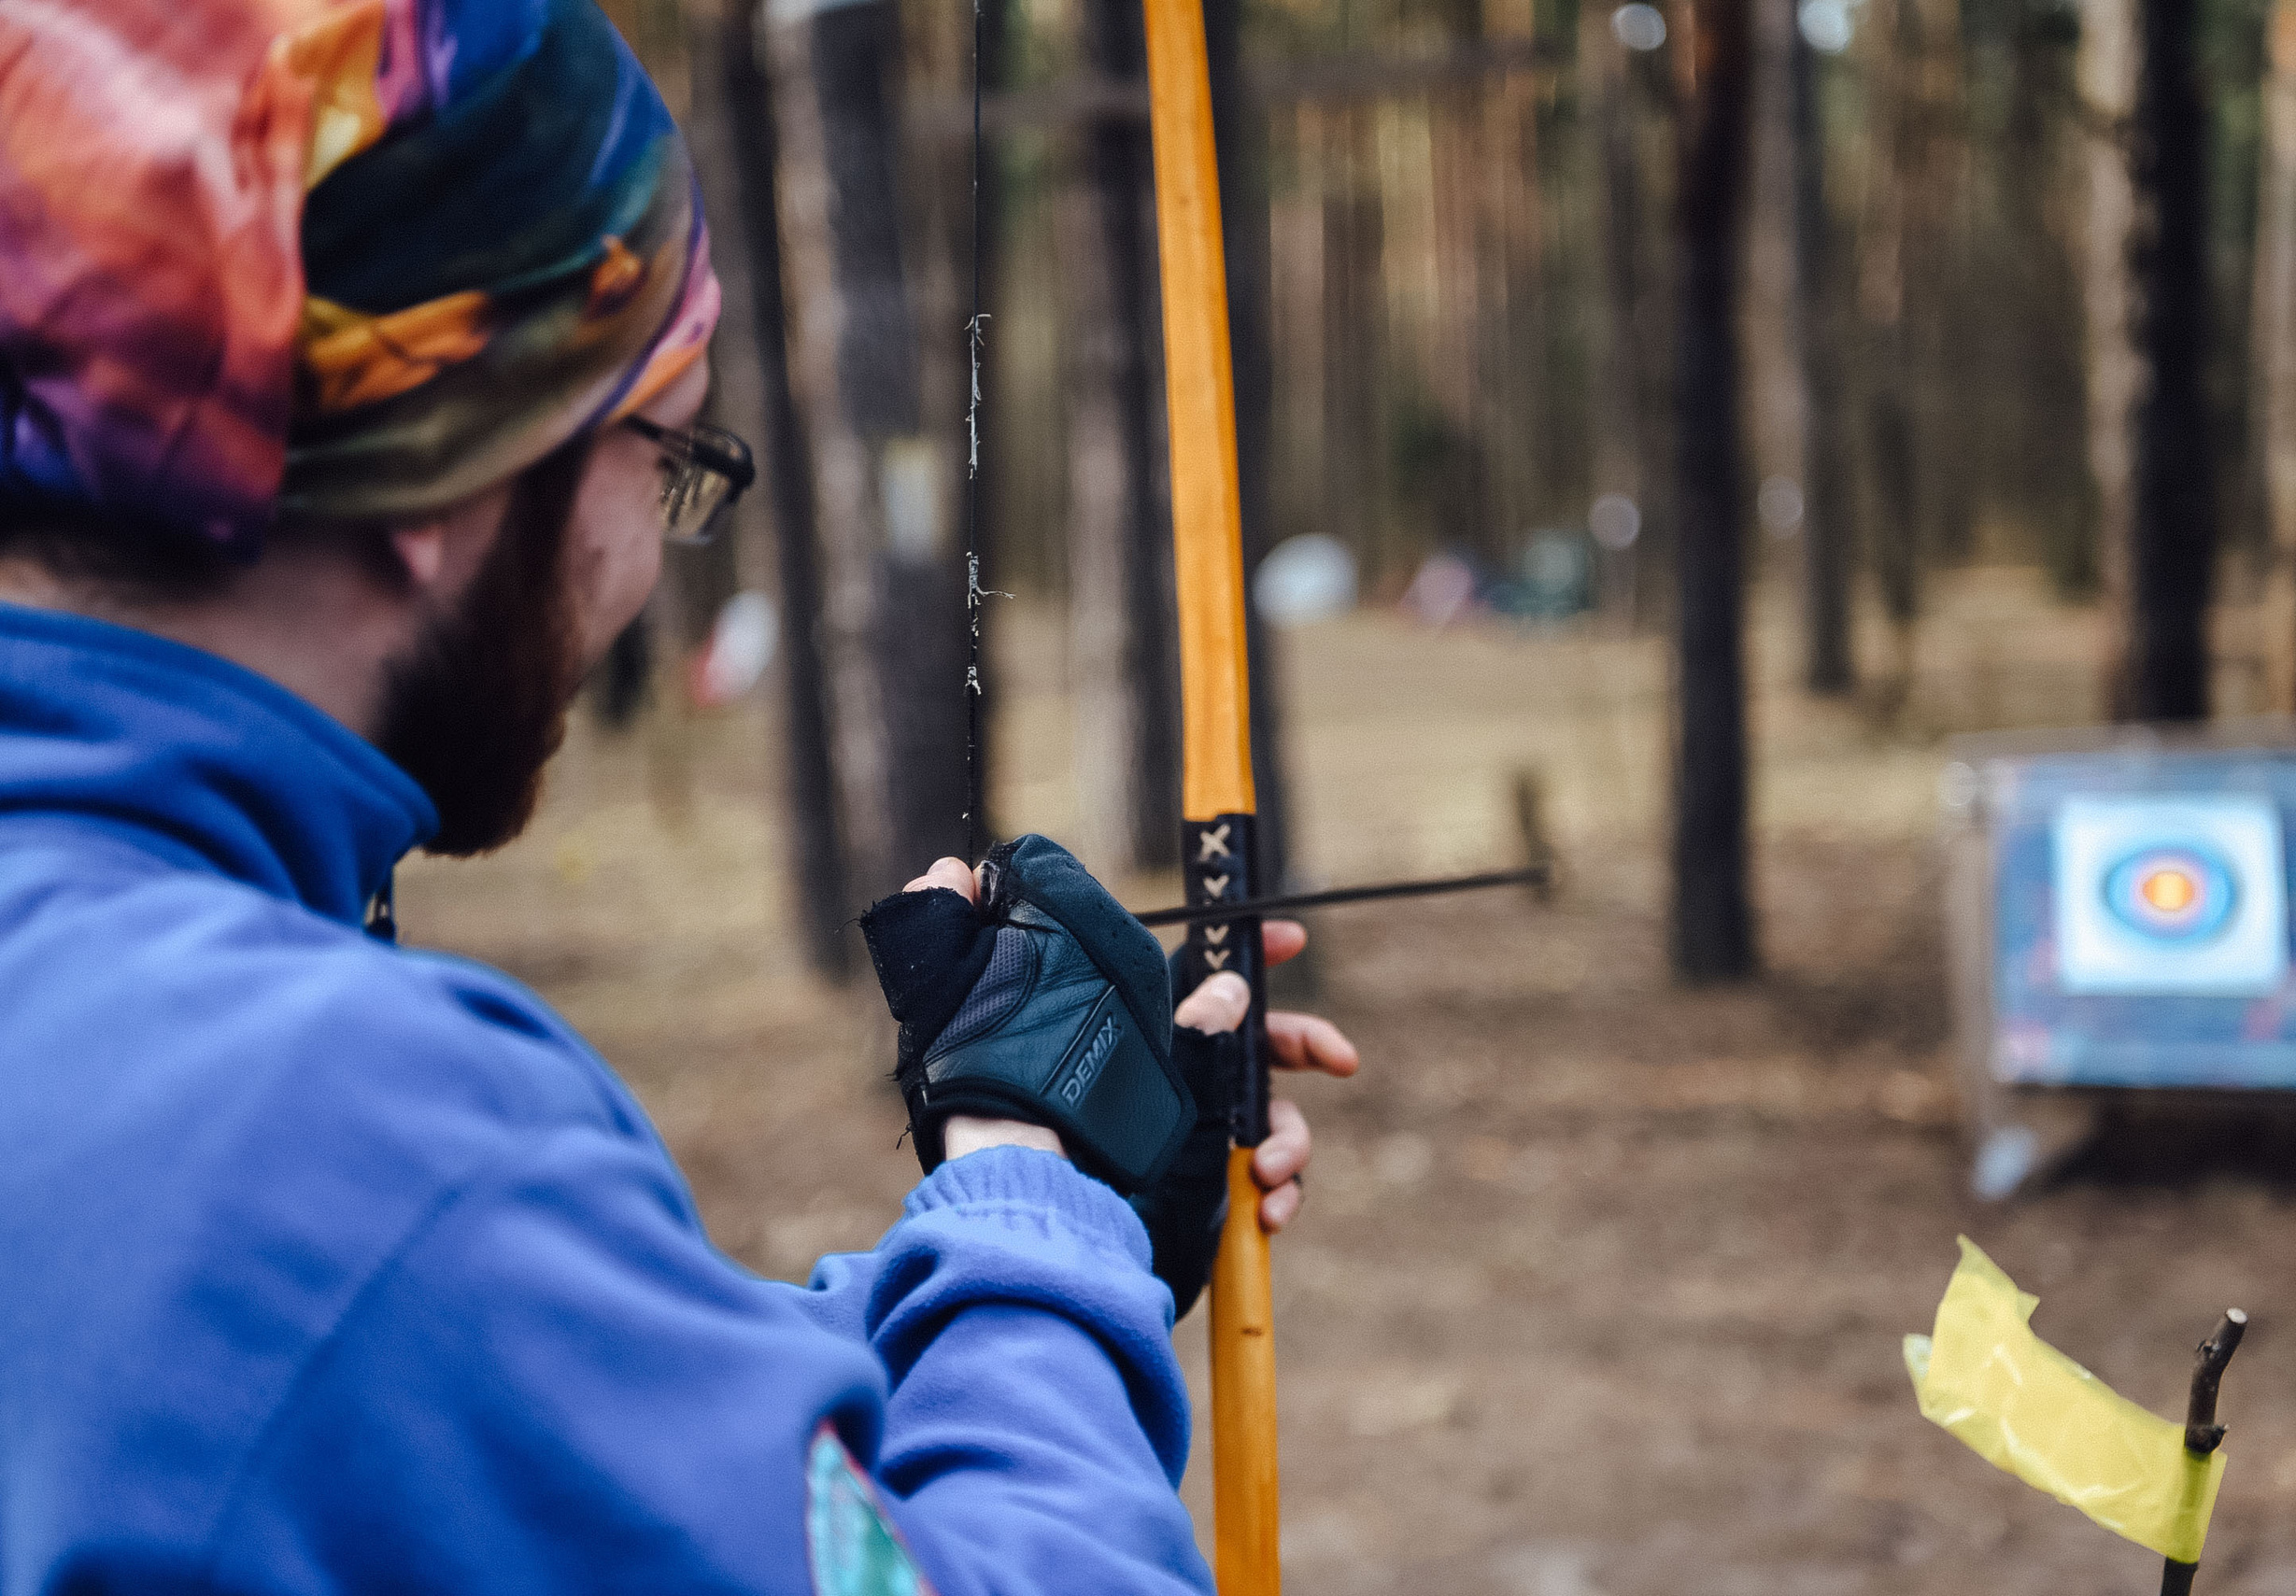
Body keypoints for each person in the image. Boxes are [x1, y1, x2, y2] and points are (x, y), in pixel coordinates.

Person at [0, 1, 1358, 1590]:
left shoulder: (143, 1048)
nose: (655, 549)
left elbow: (563, 1439)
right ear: (450, 458)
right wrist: (1027, 1170)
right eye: (664, 452)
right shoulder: (348, 1138)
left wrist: (1039, 1259)